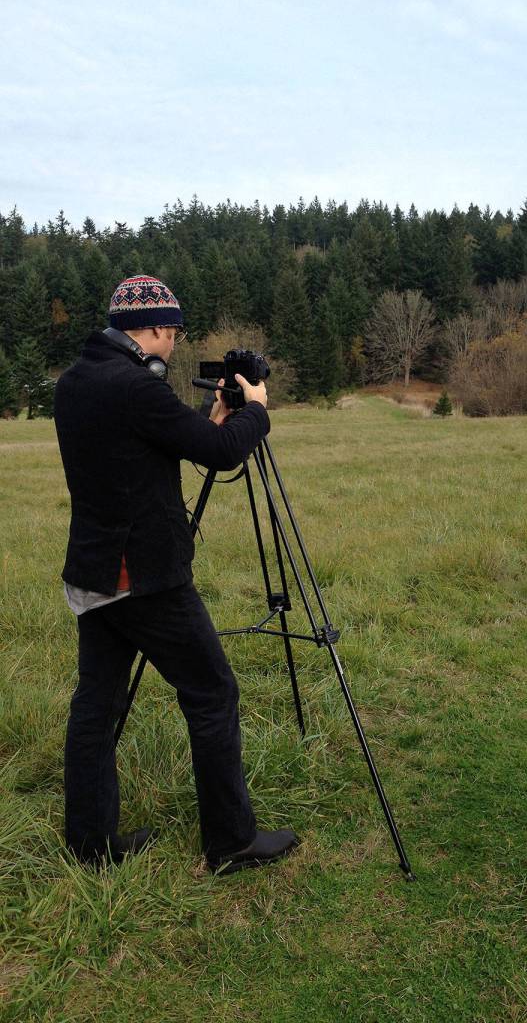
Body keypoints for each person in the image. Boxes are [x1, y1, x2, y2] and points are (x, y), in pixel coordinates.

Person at [53, 275, 299, 873]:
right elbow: (216, 453)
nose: (174, 345)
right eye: (174, 333)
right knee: (212, 691)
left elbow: (151, 441)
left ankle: (90, 842)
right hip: (144, 577)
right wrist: (257, 413)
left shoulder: (77, 381)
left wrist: (210, 417)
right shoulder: (135, 386)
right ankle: (231, 840)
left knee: (97, 704)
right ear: (158, 328)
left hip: (94, 570)